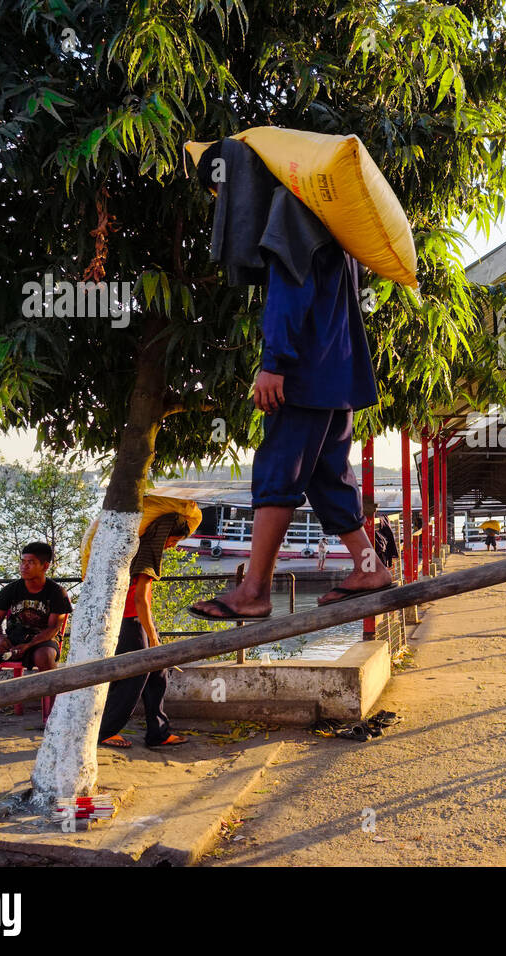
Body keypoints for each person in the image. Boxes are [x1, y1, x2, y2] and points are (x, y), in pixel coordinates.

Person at [188, 138, 392, 621]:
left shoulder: (288, 208)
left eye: (222, 185)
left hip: (303, 371)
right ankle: (370, 568)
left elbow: (289, 292)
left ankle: (254, 591)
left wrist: (273, 362)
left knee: (278, 472)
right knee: (327, 476)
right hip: (336, 373)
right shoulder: (330, 214)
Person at [99, 514, 189, 749]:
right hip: (132, 621)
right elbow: (141, 600)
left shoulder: (137, 546)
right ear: (163, 535)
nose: (173, 546)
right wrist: (152, 636)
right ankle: (106, 731)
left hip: (135, 621)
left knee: (158, 675)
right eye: (173, 540)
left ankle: (158, 733)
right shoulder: (147, 552)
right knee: (133, 679)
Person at [0, 542, 72, 731]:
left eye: (31, 562)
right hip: (13, 640)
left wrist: (29, 645)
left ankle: (53, 714)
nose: (24, 566)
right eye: (22, 561)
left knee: (44, 657)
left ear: (45, 566)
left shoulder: (56, 592)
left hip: (42, 641)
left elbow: (53, 628)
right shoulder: (12, 589)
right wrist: (0, 638)